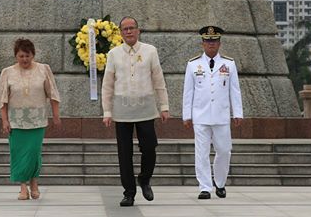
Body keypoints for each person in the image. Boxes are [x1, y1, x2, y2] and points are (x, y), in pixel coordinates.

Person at [101, 17, 169, 208]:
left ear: (138, 31)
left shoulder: (150, 51)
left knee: (149, 148)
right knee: (124, 153)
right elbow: (107, 84)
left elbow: (158, 79)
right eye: (125, 29)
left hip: (146, 109)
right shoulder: (113, 54)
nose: (129, 32)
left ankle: (145, 179)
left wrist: (164, 107)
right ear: (120, 33)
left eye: (132, 28)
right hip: (122, 111)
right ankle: (129, 193)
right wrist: (107, 111)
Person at [182, 26, 243, 200]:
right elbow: (188, 92)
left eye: (214, 41)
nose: (211, 44)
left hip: (221, 115)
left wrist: (237, 112)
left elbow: (235, 90)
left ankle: (220, 183)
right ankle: (205, 187)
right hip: (200, 115)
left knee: (224, 151)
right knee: (201, 152)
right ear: (202, 43)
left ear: (219, 43)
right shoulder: (193, 64)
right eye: (208, 41)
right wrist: (187, 115)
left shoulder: (229, 64)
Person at [0, 38, 61, 201]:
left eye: (27, 55)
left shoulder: (44, 69)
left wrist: (56, 115)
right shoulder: (7, 72)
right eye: (21, 56)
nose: (24, 59)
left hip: (37, 120)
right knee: (18, 154)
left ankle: (34, 183)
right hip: (16, 121)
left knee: (33, 154)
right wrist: (4, 120)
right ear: (15, 56)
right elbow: (2, 99)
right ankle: (23, 187)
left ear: (33, 55)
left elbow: (52, 93)